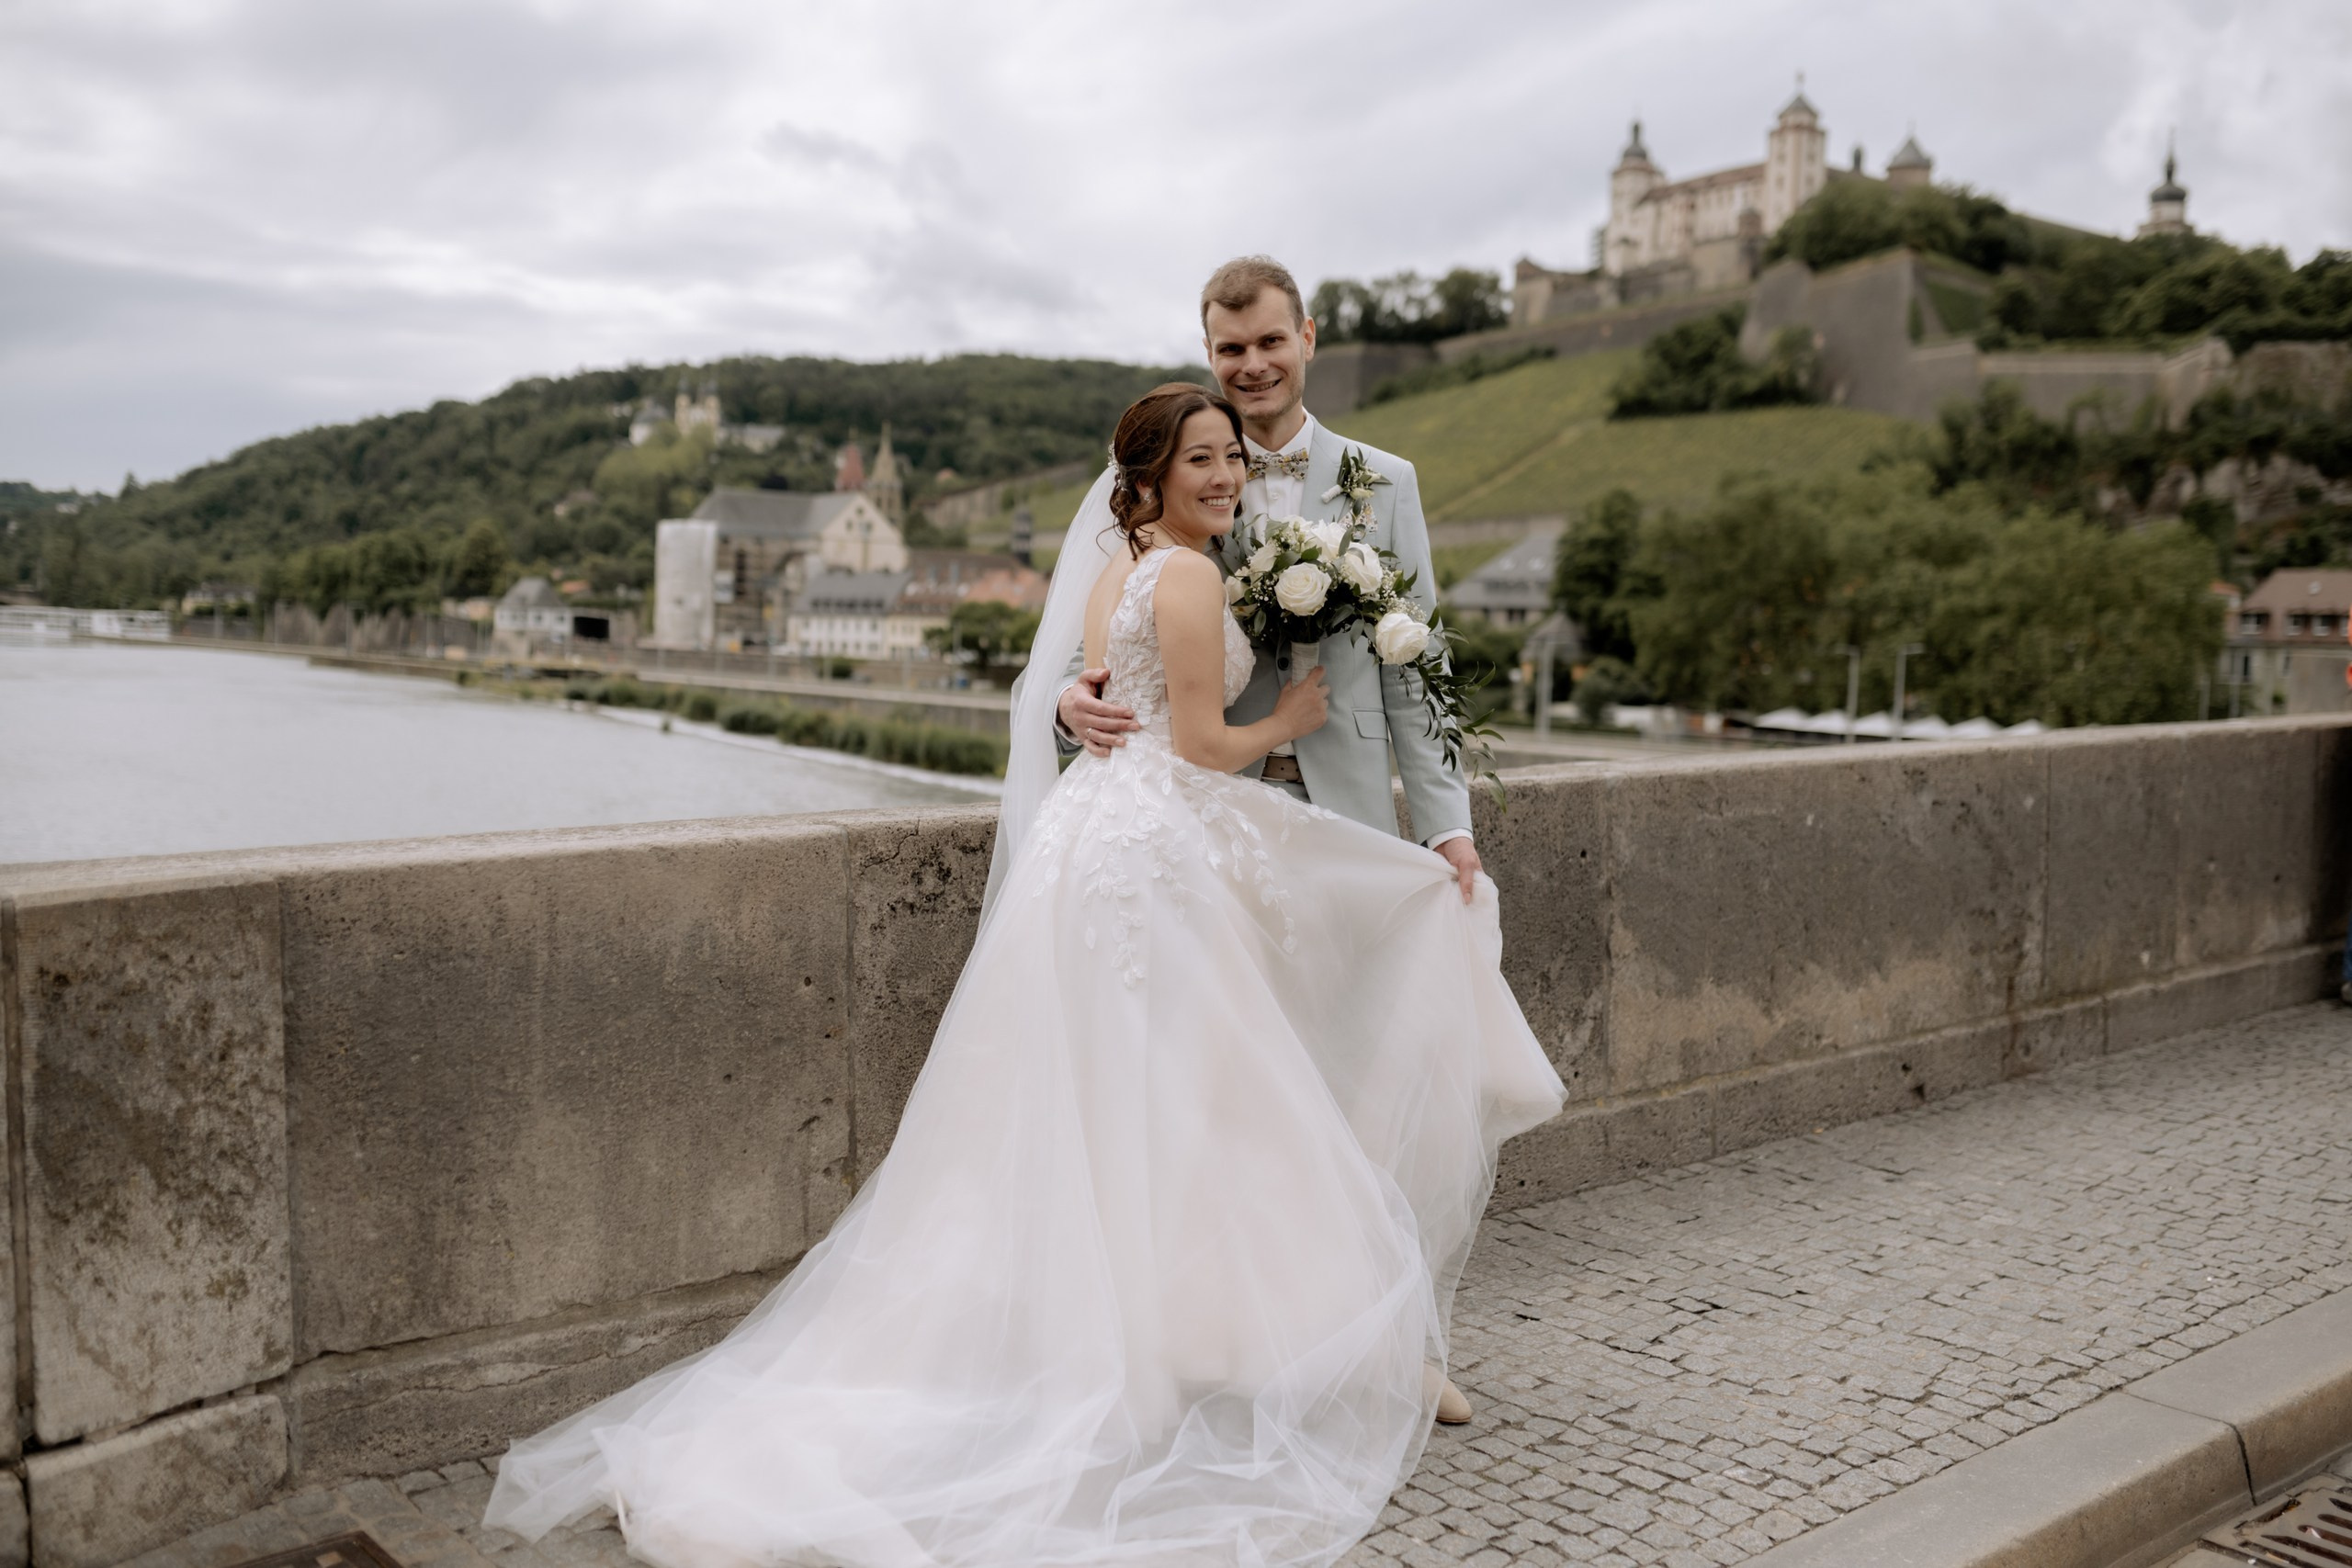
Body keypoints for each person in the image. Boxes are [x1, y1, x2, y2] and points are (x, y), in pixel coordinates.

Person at [483, 384, 1565, 1568]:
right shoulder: (1193, 576)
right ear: (1147, 482)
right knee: (1205, 1102)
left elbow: (1120, 699)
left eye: (1232, 462)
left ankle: (1149, 1346)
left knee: (1108, 1106)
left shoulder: (1118, 576)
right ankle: (1215, 1351)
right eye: (1202, 461)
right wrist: (1294, 712)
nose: (1227, 477)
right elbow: (1202, 744)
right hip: (1155, 855)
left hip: (1097, 844)